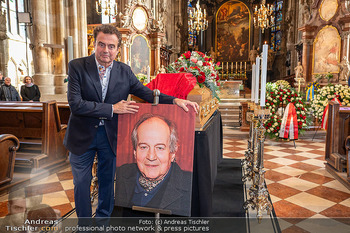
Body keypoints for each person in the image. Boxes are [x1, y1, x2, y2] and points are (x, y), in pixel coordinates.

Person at [63, 24, 198, 218]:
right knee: (81, 184)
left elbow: (146, 93)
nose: (106, 50)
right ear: (94, 44)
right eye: (101, 44)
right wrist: (112, 108)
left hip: (110, 137)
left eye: (111, 46)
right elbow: (76, 104)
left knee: (108, 184)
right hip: (81, 135)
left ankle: (103, 224)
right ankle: (84, 226)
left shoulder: (124, 71)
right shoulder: (77, 66)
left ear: (118, 49)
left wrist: (175, 100)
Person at [115, 114, 191, 216]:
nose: (151, 157)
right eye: (143, 147)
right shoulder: (120, 174)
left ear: (172, 152)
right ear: (135, 151)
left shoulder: (189, 187)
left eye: (159, 148)